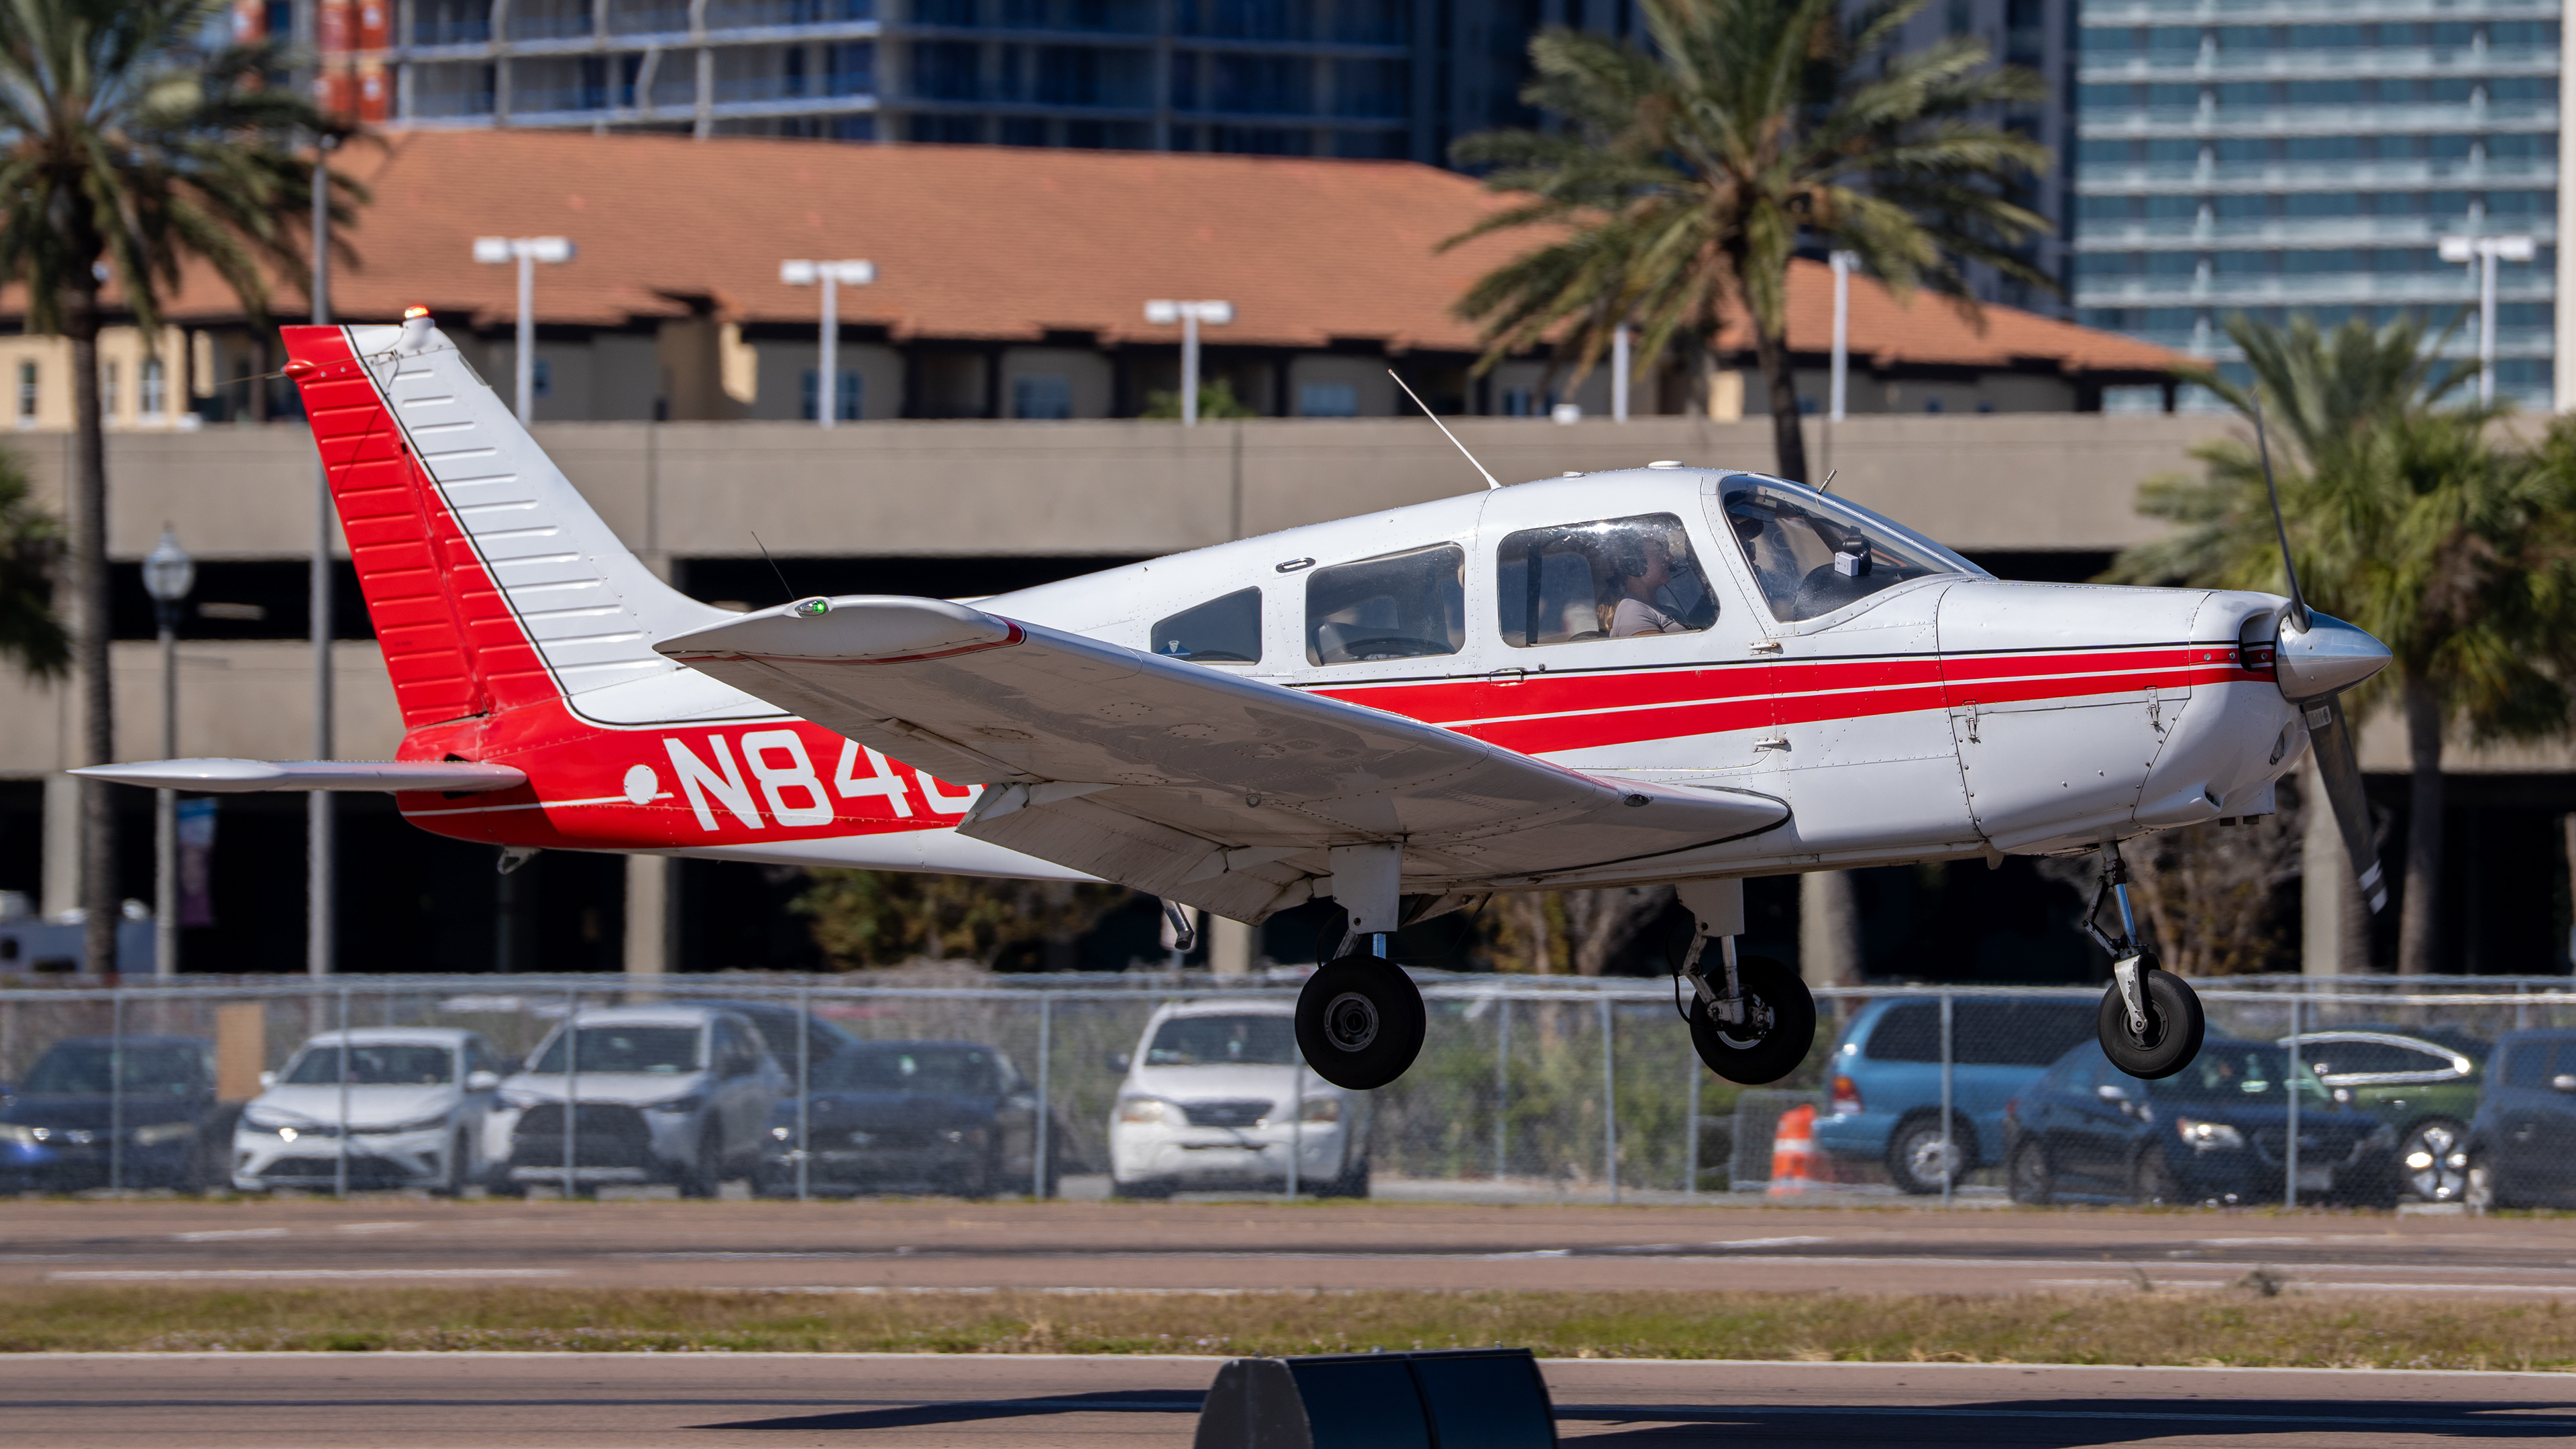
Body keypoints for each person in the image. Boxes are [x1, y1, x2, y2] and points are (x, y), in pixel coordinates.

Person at [1605, 533, 1692, 637]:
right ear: (1633, 564)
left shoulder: (1667, 610)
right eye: (1659, 552)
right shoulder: (1633, 612)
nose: (1670, 557)